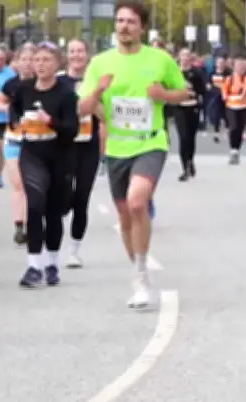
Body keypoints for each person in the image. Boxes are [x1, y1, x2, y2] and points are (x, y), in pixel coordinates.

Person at [78, 0, 188, 308]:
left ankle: (141, 278)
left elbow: (183, 92)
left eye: (130, 21)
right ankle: (138, 272)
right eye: (120, 21)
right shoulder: (100, 63)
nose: (124, 26)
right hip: (117, 146)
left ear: (142, 27)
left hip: (150, 141)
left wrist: (163, 95)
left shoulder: (159, 59)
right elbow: (82, 109)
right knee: (125, 216)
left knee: (138, 201)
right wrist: (98, 91)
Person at [12, 42, 79, 287]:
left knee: (53, 212)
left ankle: (51, 263)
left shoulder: (66, 95)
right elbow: (15, 109)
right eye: (37, 60)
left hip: (59, 156)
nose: (40, 64)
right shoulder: (25, 89)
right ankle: (33, 267)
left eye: (46, 60)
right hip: (32, 154)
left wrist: (50, 121)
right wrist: (16, 123)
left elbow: (71, 130)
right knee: (35, 205)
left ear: (57, 64)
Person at [58, 39, 102, 269]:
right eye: (72, 51)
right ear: (67, 55)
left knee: (82, 197)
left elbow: (105, 116)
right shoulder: (59, 81)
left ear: (87, 55)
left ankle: (74, 251)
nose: (76, 55)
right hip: (64, 145)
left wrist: (93, 100)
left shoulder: (94, 81)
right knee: (64, 197)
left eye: (80, 51)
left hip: (88, 145)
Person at [0, 46, 33, 246]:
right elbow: (1, 102)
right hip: (14, 139)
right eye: (24, 59)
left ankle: (32, 225)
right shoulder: (10, 84)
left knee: (33, 187)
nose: (28, 63)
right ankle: (19, 226)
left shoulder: (43, 84)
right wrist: (9, 109)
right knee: (18, 184)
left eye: (32, 59)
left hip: (36, 142)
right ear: (17, 61)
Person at [175, 47, 207, 181]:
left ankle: (190, 160)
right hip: (179, 107)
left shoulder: (197, 73)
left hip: (193, 107)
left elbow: (203, 90)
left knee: (191, 138)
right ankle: (185, 168)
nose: (185, 58)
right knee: (183, 138)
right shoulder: (174, 72)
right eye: (183, 55)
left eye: (188, 56)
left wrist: (196, 94)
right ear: (179, 57)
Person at [221, 53, 246, 165]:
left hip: (243, 106)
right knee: (233, 127)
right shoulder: (229, 79)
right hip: (231, 106)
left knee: (240, 129)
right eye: (239, 67)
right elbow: (224, 92)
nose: (241, 69)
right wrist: (226, 97)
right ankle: (232, 149)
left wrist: (243, 95)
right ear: (234, 67)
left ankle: (236, 150)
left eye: (243, 67)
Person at [0, 46, 16, 188]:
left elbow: (15, 93)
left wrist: (7, 102)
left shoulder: (10, 74)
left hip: (3, 118)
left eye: (1, 59)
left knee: (1, 149)